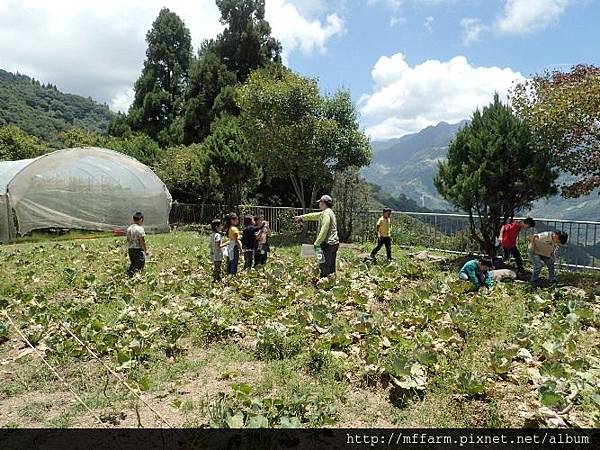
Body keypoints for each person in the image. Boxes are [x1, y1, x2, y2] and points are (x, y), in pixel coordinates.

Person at [293, 195, 340, 280]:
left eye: (320, 202)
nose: (319, 204)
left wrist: (317, 243)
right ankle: (332, 282)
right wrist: (301, 218)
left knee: (323, 265)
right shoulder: (329, 212)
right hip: (334, 243)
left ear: (323, 203)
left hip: (326, 244)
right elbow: (314, 215)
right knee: (331, 265)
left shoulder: (326, 214)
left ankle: (323, 284)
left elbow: (324, 228)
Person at [126, 212, 148, 278]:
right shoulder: (140, 229)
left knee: (133, 264)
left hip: (130, 249)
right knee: (140, 265)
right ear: (141, 219)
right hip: (138, 249)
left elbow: (128, 240)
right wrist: (145, 250)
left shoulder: (129, 229)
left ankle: (129, 276)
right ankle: (137, 278)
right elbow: (142, 241)